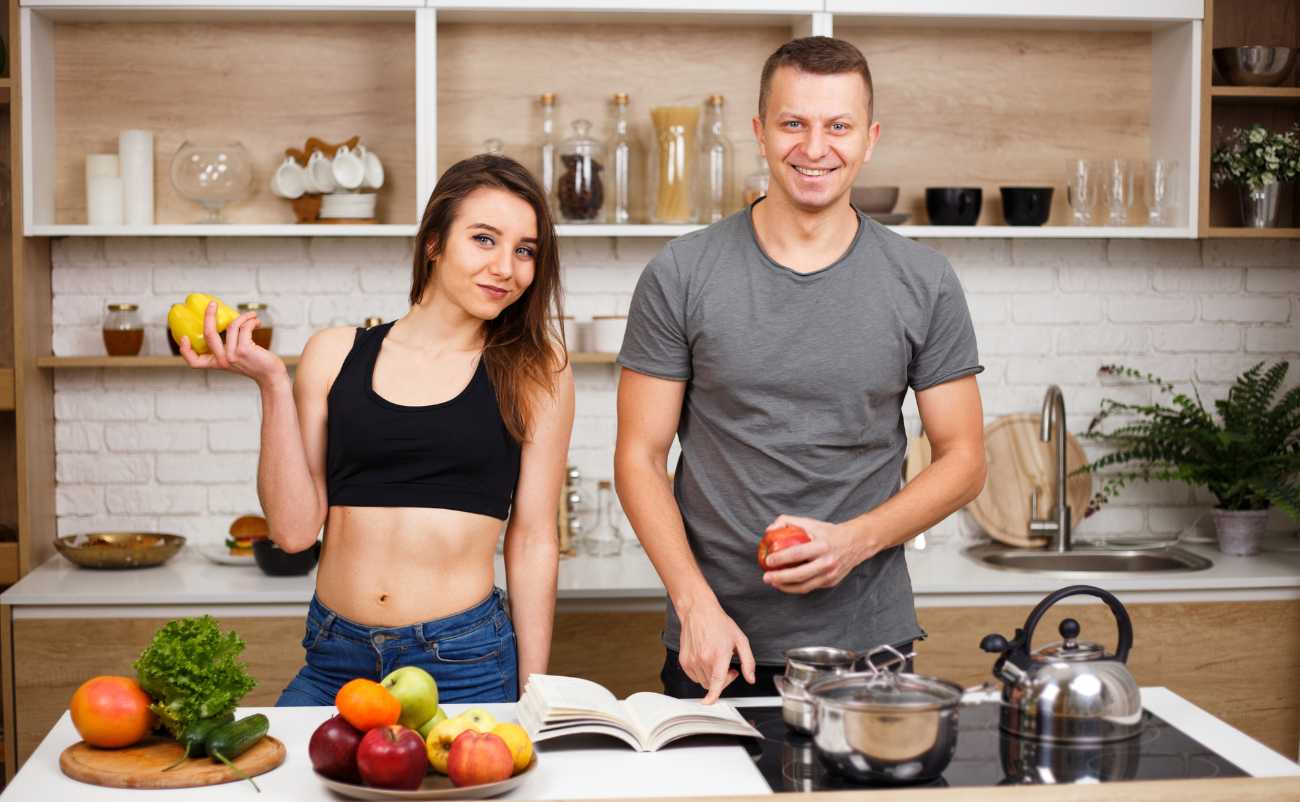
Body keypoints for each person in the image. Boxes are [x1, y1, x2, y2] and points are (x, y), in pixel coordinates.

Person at [614, 37, 987, 703]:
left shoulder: (924, 281)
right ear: (760, 132)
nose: (815, 148)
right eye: (794, 123)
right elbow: (639, 456)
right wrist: (693, 604)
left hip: (867, 645)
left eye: (837, 126)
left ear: (869, 139)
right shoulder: (680, 273)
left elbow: (964, 459)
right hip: (715, 642)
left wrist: (854, 542)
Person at [180, 154, 575, 705]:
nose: (506, 267)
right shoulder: (334, 353)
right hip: (334, 657)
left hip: (464, 661)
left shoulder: (537, 370)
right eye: (484, 239)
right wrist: (271, 383)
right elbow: (294, 534)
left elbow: (534, 538)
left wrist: (534, 690)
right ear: (433, 242)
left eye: (525, 250)